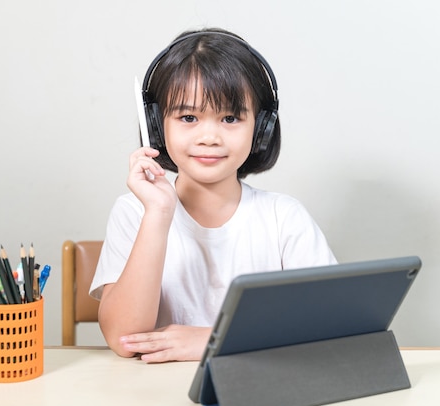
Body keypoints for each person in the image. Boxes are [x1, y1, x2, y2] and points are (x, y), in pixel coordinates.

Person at [89, 27, 336, 363]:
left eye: (230, 118)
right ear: (157, 127)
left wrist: (212, 340)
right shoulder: (135, 212)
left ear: (261, 129)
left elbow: (329, 327)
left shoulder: (284, 218)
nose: (209, 136)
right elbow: (124, 338)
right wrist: (158, 214)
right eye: (188, 117)